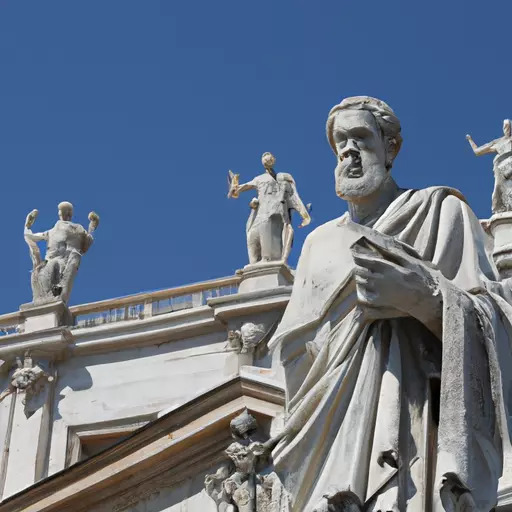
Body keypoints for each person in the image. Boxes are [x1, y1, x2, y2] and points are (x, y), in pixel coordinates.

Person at [267, 96, 512, 511]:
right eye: (339, 142)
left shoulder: (441, 212)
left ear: (390, 147)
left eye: (360, 137)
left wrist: (426, 298)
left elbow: (499, 327)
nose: (348, 150)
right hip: (334, 451)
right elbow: (296, 365)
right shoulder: (317, 245)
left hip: (419, 438)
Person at [228, 152, 310, 264]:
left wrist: (303, 214)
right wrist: (235, 187)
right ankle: (255, 264)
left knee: (271, 235)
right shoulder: (260, 179)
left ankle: (268, 260)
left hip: (275, 213)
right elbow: (241, 188)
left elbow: (293, 197)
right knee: (252, 237)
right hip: (262, 213)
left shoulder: (283, 180)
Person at [24, 202, 98, 304]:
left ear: (69, 213)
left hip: (63, 262)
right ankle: (43, 299)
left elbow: (86, 242)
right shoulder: (52, 230)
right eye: (60, 210)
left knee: (54, 269)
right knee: (36, 274)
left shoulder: (76, 228)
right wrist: (27, 227)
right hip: (49, 261)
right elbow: (33, 237)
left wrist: (92, 226)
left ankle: (55, 293)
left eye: (63, 210)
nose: (61, 213)